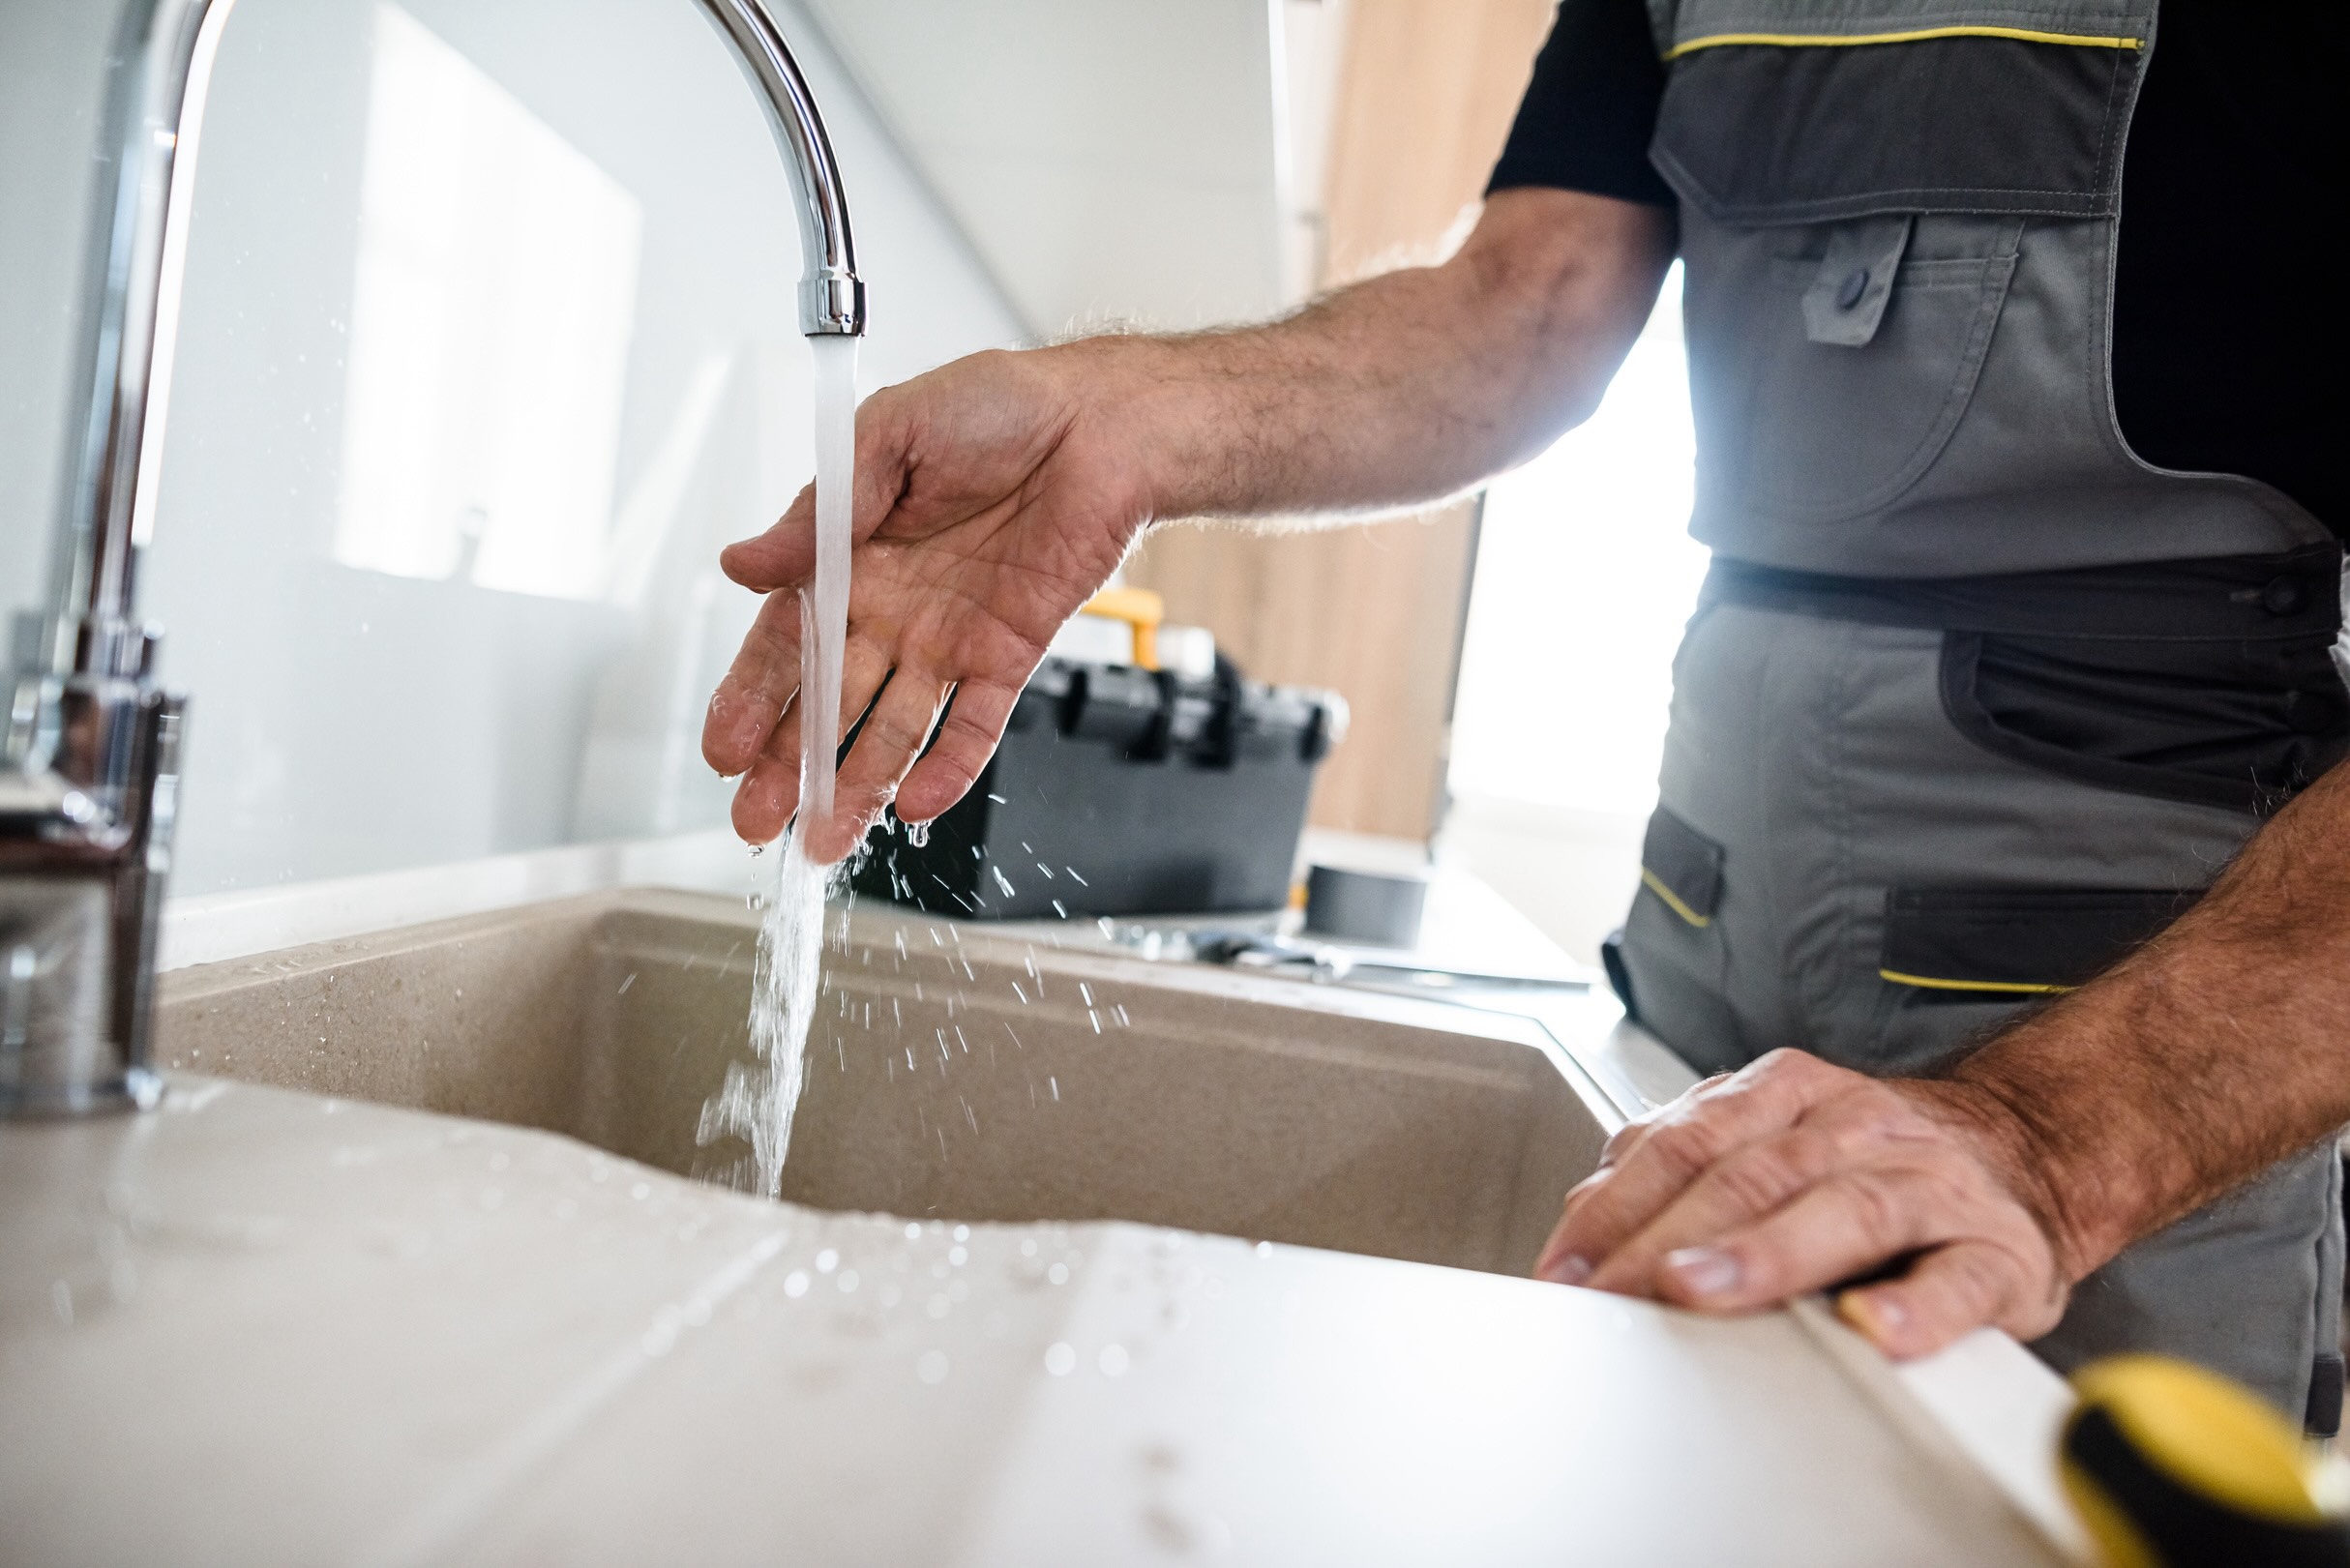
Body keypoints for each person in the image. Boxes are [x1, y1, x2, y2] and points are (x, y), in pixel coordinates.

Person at [701, 0, 2349, 1426]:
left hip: (2140, 1056)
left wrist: (2046, 1139)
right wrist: (1125, 419)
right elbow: (1526, 305)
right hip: (1708, 958)